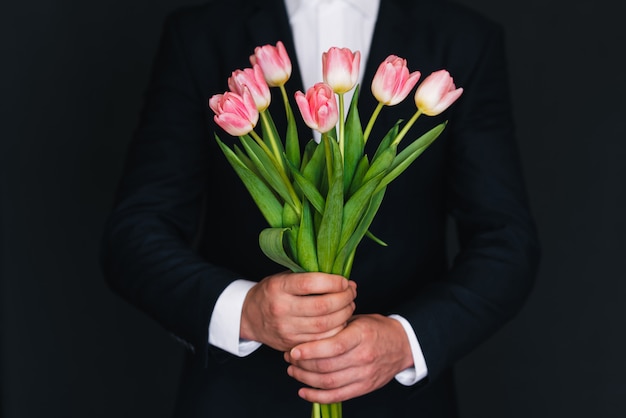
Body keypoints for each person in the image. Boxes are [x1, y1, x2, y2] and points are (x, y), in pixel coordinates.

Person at [101, 0, 540, 416]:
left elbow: (506, 241)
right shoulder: (200, 34)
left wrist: (405, 341)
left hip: (400, 406)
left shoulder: (464, 39)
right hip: (237, 399)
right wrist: (246, 310)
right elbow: (136, 232)